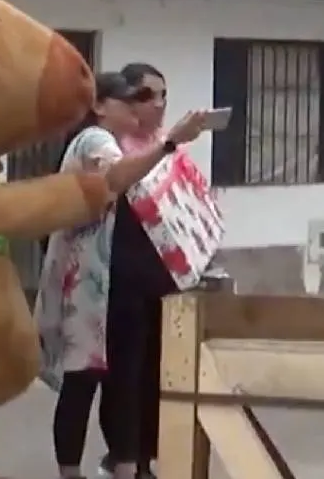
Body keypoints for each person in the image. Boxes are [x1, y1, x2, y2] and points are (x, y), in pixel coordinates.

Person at [36, 71, 212, 479]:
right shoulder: (95, 140)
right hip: (84, 284)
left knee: (114, 377)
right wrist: (170, 142)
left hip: (105, 282)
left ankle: (125, 465)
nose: (138, 107)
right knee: (84, 379)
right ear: (100, 106)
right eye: (130, 99)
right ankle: (72, 471)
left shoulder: (113, 142)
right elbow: (117, 177)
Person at [97, 62, 173, 479]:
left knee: (158, 369)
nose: (157, 106)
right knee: (125, 371)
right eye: (146, 96)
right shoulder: (109, 147)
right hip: (121, 278)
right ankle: (124, 456)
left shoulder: (165, 144)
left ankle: (147, 453)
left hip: (164, 276)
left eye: (163, 96)